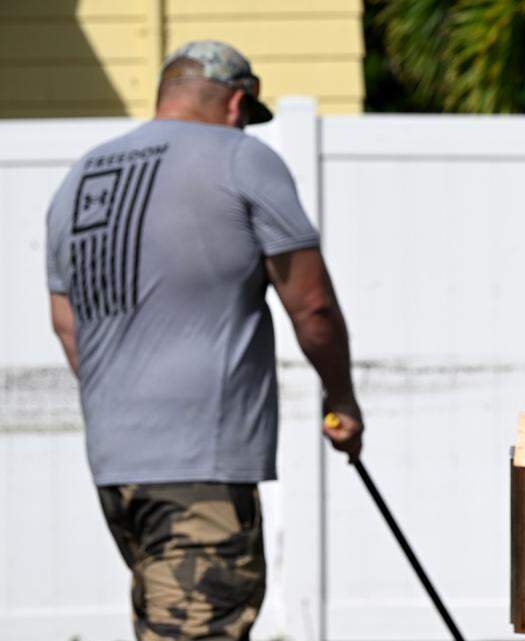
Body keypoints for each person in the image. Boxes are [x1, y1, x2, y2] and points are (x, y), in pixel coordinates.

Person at [44, 40, 363, 641]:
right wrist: (342, 400)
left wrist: (128, 405)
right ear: (236, 102)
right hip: (200, 472)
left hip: (117, 470)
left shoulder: (80, 179)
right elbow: (312, 305)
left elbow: (67, 324)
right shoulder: (240, 158)